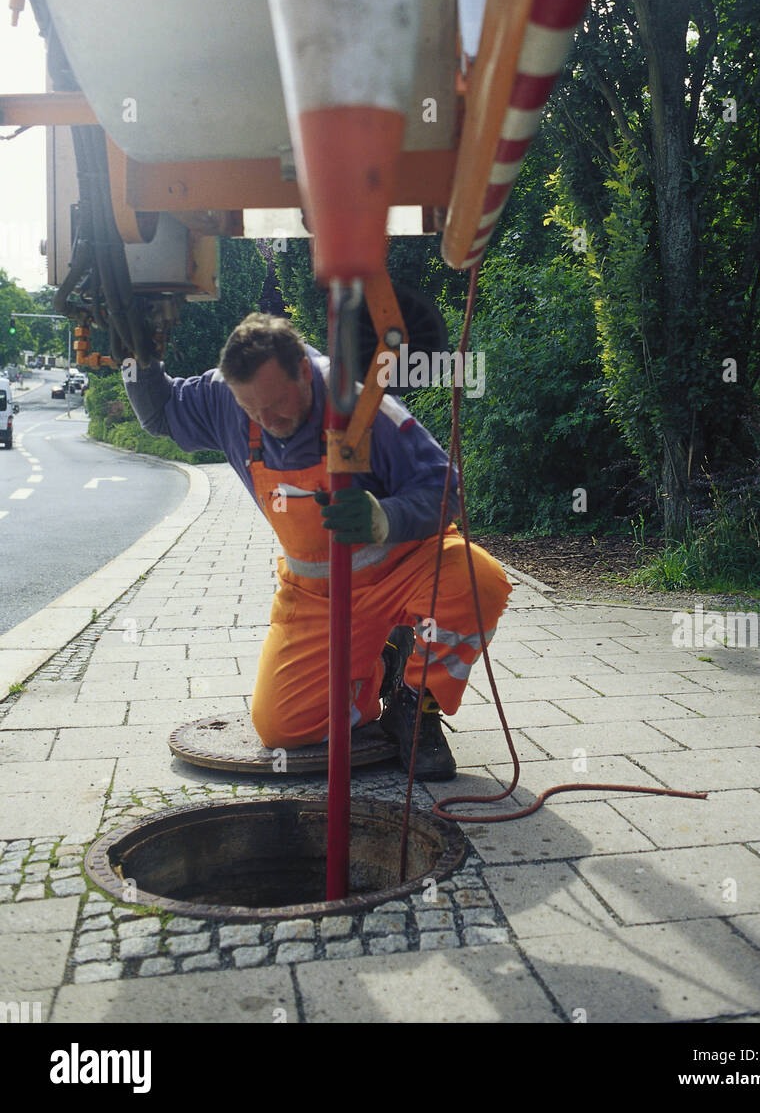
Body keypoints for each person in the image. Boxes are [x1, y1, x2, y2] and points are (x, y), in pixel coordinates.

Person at [122, 312, 512, 780]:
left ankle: (416, 707)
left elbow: (447, 488)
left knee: (478, 582)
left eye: (278, 406)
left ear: (305, 372)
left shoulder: (362, 405)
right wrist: (136, 355)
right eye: (253, 412)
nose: (269, 422)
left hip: (407, 566)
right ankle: (382, 662)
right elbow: (160, 414)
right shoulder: (225, 397)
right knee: (282, 728)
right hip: (318, 595)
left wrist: (386, 517)